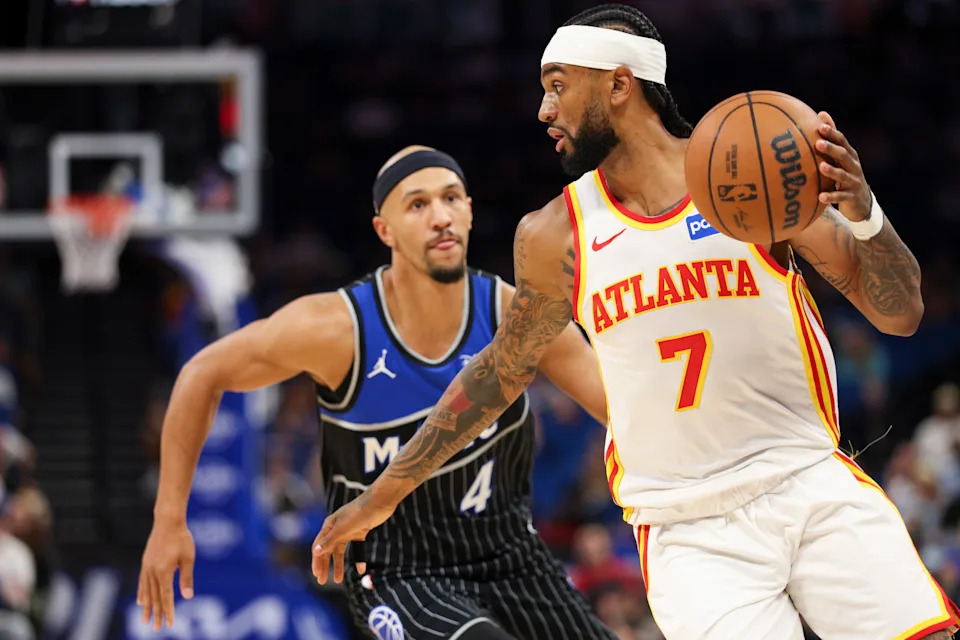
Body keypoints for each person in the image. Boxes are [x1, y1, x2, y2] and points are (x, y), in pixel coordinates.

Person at [312, 5, 960, 640]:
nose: (544, 110)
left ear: (618, 83)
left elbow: (899, 313)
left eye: (558, 87)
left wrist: (866, 213)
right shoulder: (554, 234)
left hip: (809, 481)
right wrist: (384, 492)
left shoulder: (751, 169)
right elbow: (496, 377)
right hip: (690, 531)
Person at [137, 145, 617, 640]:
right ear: (383, 230)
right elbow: (201, 374)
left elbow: (622, 412)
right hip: (398, 573)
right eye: (417, 204)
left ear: (470, 211)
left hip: (510, 558)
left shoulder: (516, 318)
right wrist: (169, 519)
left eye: (452, 199)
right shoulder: (337, 327)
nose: (440, 217)